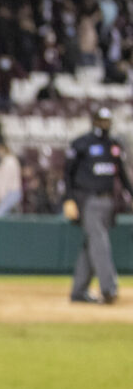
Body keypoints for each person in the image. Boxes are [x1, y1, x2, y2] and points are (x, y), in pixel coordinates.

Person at [63, 107, 133, 304]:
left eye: (107, 121)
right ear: (93, 121)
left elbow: (123, 175)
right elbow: (67, 174)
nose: (105, 125)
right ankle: (109, 288)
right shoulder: (81, 144)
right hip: (88, 199)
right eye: (101, 121)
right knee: (100, 241)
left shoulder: (114, 145)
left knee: (91, 244)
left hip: (108, 200)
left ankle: (79, 291)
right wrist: (69, 199)